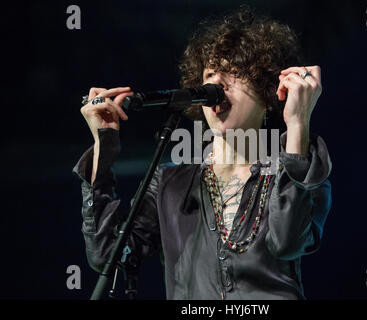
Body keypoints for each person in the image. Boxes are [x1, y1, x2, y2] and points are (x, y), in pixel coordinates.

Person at [73, 6, 332, 300]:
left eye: (234, 72)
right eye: (210, 73)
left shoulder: (299, 170)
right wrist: (103, 145)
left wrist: (297, 122)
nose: (216, 83)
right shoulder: (170, 179)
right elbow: (106, 254)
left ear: (268, 90)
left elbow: (287, 241)